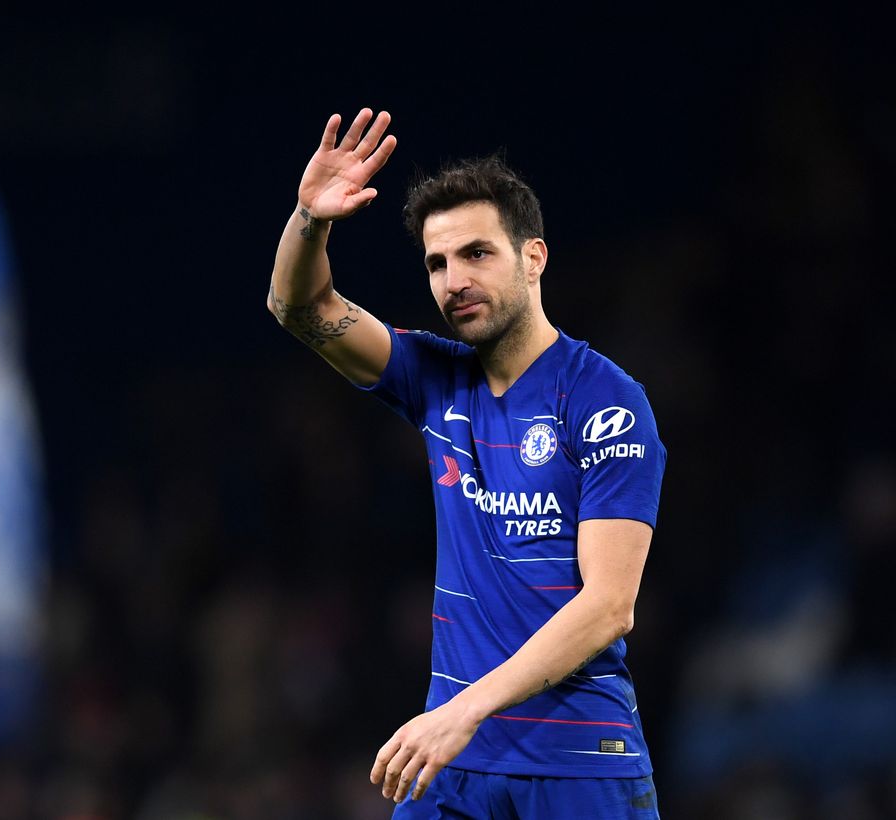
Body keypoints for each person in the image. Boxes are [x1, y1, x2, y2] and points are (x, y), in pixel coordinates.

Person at [267, 108, 666, 818]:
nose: (454, 279)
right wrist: (310, 217)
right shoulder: (434, 378)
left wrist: (463, 711)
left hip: (576, 763)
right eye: (437, 263)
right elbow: (297, 306)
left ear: (533, 257)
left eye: (476, 253)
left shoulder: (605, 400)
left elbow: (609, 606)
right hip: (454, 764)